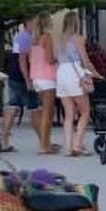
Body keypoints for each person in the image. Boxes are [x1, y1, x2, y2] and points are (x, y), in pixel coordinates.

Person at [53, 11, 100, 157]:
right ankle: (77, 144)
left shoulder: (57, 40)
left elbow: (55, 58)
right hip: (75, 74)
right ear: (77, 23)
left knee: (68, 114)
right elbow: (85, 61)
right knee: (85, 112)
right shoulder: (78, 39)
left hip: (61, 74)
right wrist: (95, 72)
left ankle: (68, 148)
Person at [0, 21, 36, 152]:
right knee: (35, 108)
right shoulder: (25, 37)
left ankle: (4, 140)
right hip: (21, 76)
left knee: (12, 107)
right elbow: (22, 59)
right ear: (28, 23)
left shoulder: (19, 36)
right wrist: (27, 79)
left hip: (14, 74)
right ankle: (44, 141)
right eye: (34, 21)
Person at [27, 12, 60, 151]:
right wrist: (58, 58)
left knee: (42, 110)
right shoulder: (47, 38)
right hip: (47, 77)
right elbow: (49, 59)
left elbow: (30, 59)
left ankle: (44, 142)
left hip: (36, 77)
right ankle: (45, 145)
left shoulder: (33, 39)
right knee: (48, 112)